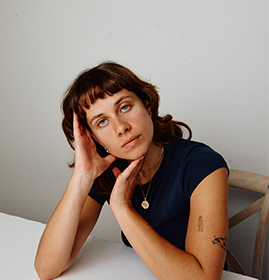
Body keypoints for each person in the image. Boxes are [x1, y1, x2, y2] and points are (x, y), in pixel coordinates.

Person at [35, 62, 229, 280]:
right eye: (102, 122)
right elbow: (46, 268)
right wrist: (82, 177)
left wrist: (122, 208)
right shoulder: (107, 171)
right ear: (93, 138)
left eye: (124, 107)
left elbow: (203, 278)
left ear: (146, 105)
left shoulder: (201, 165)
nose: (121, 127)